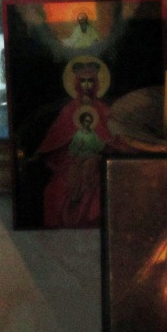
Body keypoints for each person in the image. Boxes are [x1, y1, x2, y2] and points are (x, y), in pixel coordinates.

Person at [35, 57, 113, 228]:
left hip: (97, 163)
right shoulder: (69, 110)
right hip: (71, 161)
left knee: (97, 192)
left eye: (90, 81)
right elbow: (57, 138)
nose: (87, 85)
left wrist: (98, 156)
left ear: (96, 83)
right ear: (77, 83)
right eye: (83, 81)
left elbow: (112, 139)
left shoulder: (104, 110)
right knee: (54, 191)